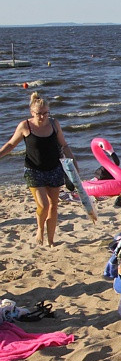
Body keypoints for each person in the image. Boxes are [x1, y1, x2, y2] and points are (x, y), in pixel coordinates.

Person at [0, 92, 79, 246]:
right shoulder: (25, 126)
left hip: (54, 169)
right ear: (32, 112)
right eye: (38, 114)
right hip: (33, 170)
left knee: (53, 206)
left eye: (45, 113)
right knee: (43, 205)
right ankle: (40, 229)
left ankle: (51, 240)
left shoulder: (54, 124)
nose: (42, 117)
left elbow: (64, 145)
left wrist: (74, 164)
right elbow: (11, 144)